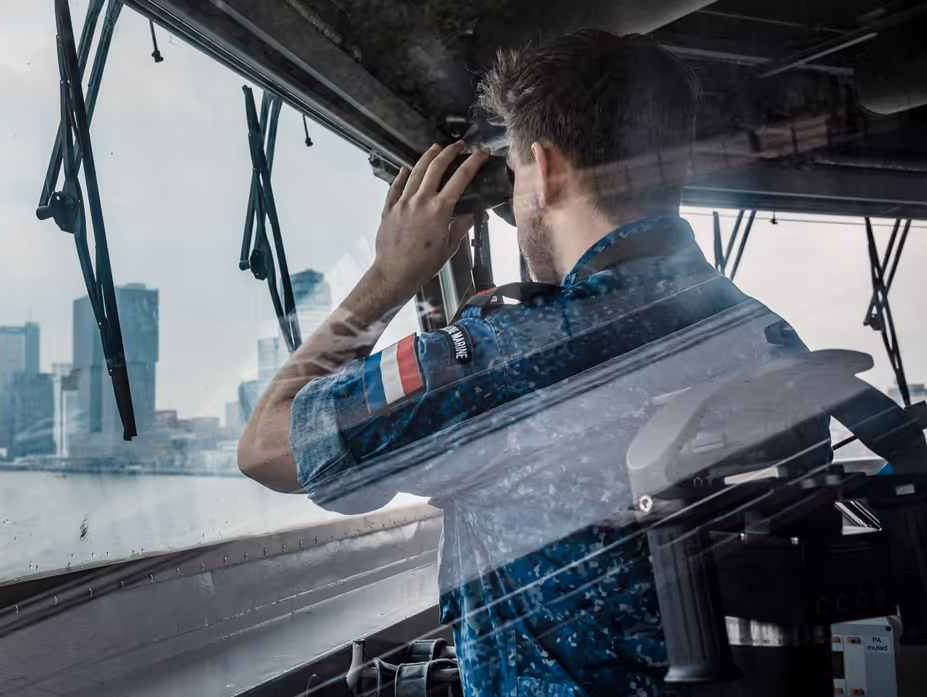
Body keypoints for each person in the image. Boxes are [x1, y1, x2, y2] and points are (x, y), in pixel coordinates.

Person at [238, 30, 815, 696]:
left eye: (511, 173)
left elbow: (266, 446)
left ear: (545, 171)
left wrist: (390, 276)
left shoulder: (504, 359)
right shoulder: (769, 337)